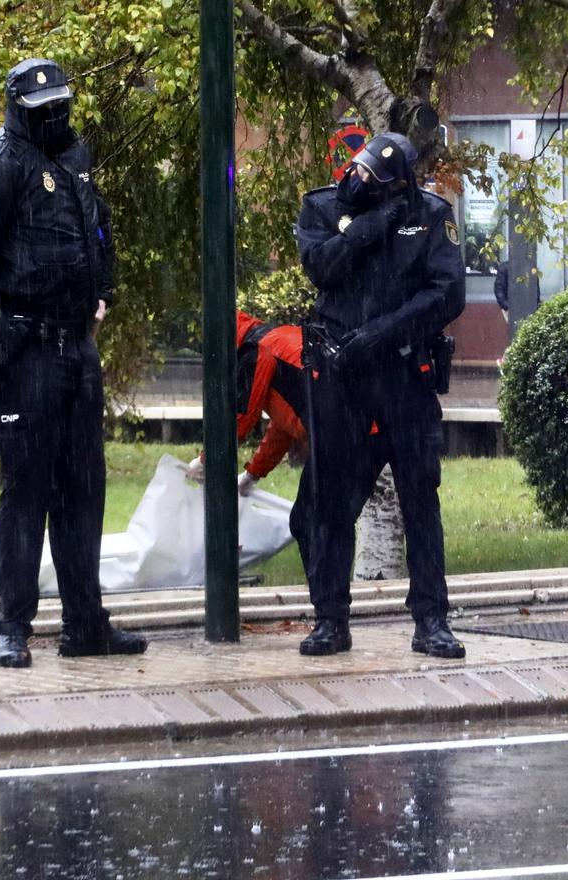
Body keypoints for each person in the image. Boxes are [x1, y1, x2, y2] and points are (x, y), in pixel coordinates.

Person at [0, 57, 148, 669]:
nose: (54, 117)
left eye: (59, 105)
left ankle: (85, 623)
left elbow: (99, 230)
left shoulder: (73, 159)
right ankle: (13, 625)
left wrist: (103, 289)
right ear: (17, 108)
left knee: (84, 489)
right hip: (25, 345)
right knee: (27, 490)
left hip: (75, 346)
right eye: (43, 110)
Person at [292, 131, 467, 660]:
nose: (361, 179)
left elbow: (447, 293)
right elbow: (320, 267)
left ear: (401, 182)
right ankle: (330, 620)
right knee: (328, 504)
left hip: (403, 374)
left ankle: (431, 620)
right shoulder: (322, 206)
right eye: (360, 168)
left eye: (376, 177)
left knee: (419, 498)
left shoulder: (431, 214)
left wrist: (384, 333)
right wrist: (367, 228)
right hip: (341, 377)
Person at [186, 311, 310, 494]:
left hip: (332, 429)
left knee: (311, 519)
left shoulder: (256, 350)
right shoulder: (277, 341)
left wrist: (206, 460)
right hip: (354, 427)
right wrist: (251, 475)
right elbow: (283, 426)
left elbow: (240, 417)